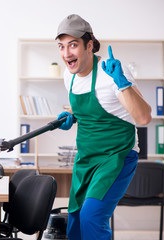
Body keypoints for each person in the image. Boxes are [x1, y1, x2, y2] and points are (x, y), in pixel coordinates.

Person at [55, 14, 152, 239]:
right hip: (86, 158)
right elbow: (90, 109)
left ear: (89, 45)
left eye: (73, 45)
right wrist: (71, 115)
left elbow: (144, 117)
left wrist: (123, 83)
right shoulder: (68, 76)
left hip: (116, 157)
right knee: (76, 221)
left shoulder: (111, 73)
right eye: (61, 46)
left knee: (92, 217)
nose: (66, 53)